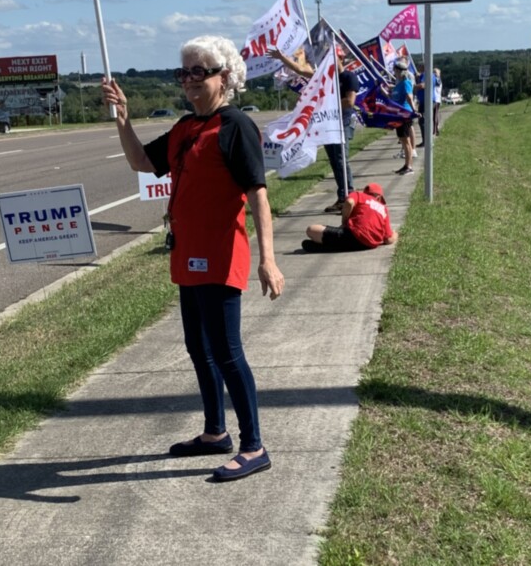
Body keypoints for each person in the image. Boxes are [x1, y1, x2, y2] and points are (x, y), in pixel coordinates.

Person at [101, 35, 284, 482]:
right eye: (184, 73)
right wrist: (123, 119)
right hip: (188, 256)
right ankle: (214, 432)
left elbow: (258, 195)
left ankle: (254, 445)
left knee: (226, 351)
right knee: (197, 348)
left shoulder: (235, 126)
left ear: (225, 77)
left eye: (199, 72)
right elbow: (142, 162)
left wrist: (269, 259)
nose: (189, 81)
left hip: (222, 255)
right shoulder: (186, 128)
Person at [269, 46, 359, 213]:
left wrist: (328, 102)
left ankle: (349, 197)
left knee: (341, 159)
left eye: (332, 57)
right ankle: (342, 197)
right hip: (327, 124)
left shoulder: (348, 77)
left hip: (342, 124)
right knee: (334, 160)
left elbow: (350, 102)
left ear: (340, 58)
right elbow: (301, 70)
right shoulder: (325, 76)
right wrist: (282, 57)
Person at [302, 182, 397, 252]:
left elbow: (349, 202)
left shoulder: (359, 195)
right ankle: (331, 246)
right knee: (339, 240)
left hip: (352, 235)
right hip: (369, 244)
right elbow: (388, 239)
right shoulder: (384, 209)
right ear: (379, 197)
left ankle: (328, 246)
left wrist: (344, 222)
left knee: (311, 229)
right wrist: (396, 234)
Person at [390, 58, 416, 174]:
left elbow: (409, 97)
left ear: (399, 71)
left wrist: (414, 110)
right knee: (403, 140)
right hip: (399, 115)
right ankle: (406, 164)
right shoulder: (398, 84)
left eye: (394, 70)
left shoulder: (406, 83)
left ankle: (409, 166)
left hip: (405, 114)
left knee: (406, 141)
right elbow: (392, 96)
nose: (393, 72)